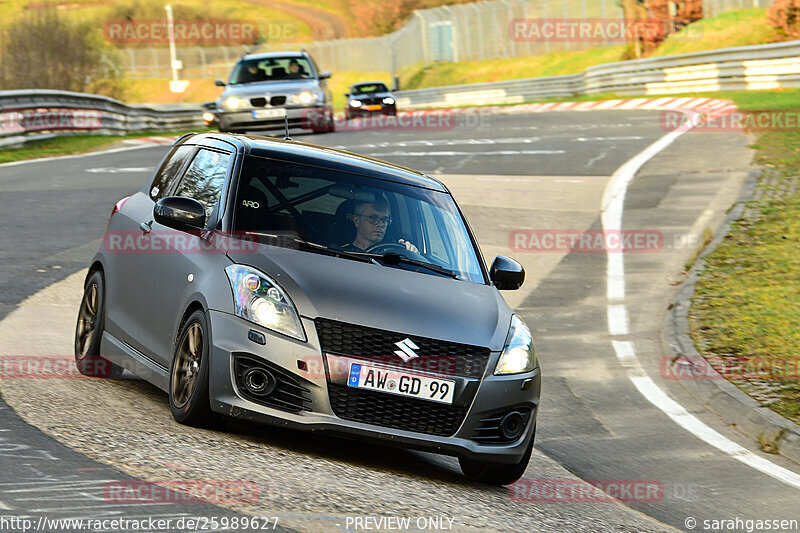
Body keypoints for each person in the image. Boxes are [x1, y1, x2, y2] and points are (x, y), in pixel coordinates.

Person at [342, 199, 418, 253]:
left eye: (385, 219)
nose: (381, 224)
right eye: (373, 218)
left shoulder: (392, 255)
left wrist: (409, 252)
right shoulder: (341, 253)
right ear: (357, 221)